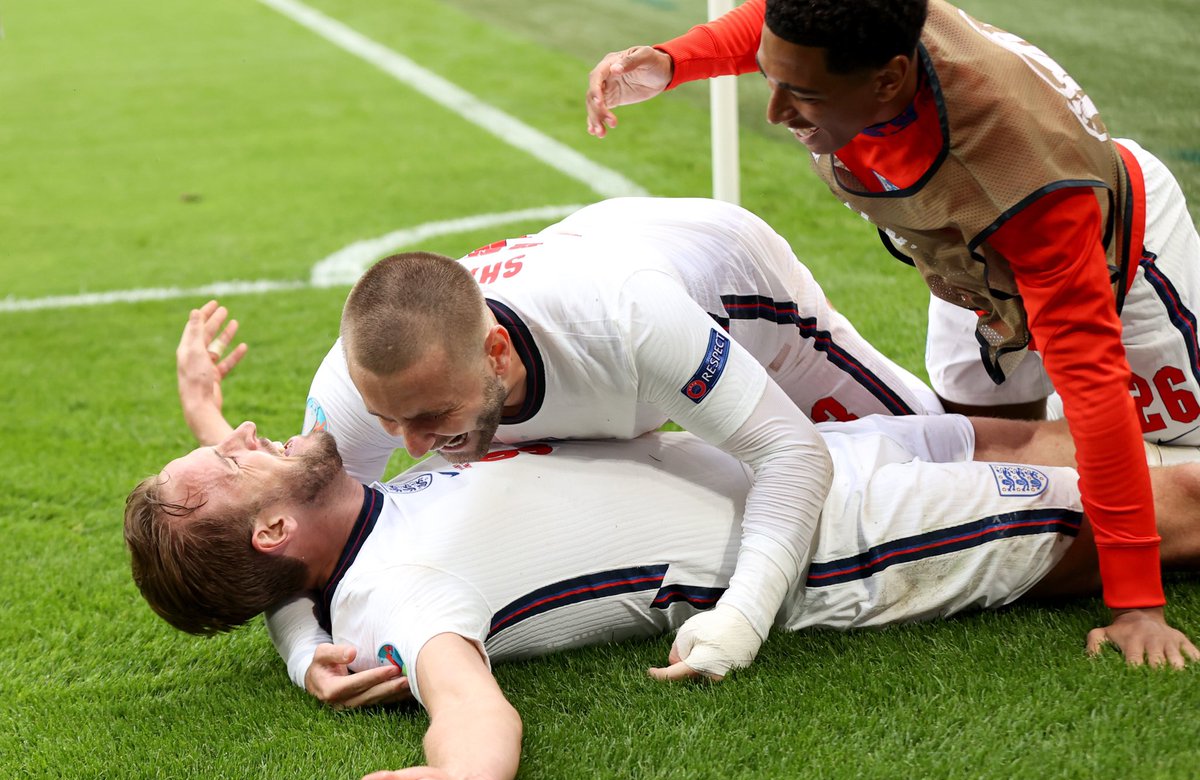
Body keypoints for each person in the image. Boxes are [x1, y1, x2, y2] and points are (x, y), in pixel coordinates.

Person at [125, 416, 1200, 780]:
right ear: (271, 528)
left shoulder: (358, 515)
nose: (246, 432)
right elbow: (462, 698)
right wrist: (461, 775)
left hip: (802, 456)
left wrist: (297, 650)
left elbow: (268, 581)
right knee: (1170, 507)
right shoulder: (399, 595)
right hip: (836, 539)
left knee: (1058, 431)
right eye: (230, 460)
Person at [584, 0, 1200, 661]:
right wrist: (675, 59)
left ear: (888, 80)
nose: (776, 113)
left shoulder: (1025, 184)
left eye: (804, 95)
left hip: (1113, 252)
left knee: (1176, 466)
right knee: (992, 450)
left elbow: (1095, 387)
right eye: (772, 78)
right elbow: (772, 22)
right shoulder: (855, 32)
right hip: (965, 258)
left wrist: (1137, 604)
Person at [180, 196, 946, 703]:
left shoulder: (630, 321)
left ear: (497, 354)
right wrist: (303, 650)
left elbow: (794, 457)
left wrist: (743, 617)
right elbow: (287, 531)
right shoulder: (365, 383)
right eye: (391, 422)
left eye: (432, 417)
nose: (416, 448)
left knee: (927, 439)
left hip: (733, 297)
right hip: (585, 336)